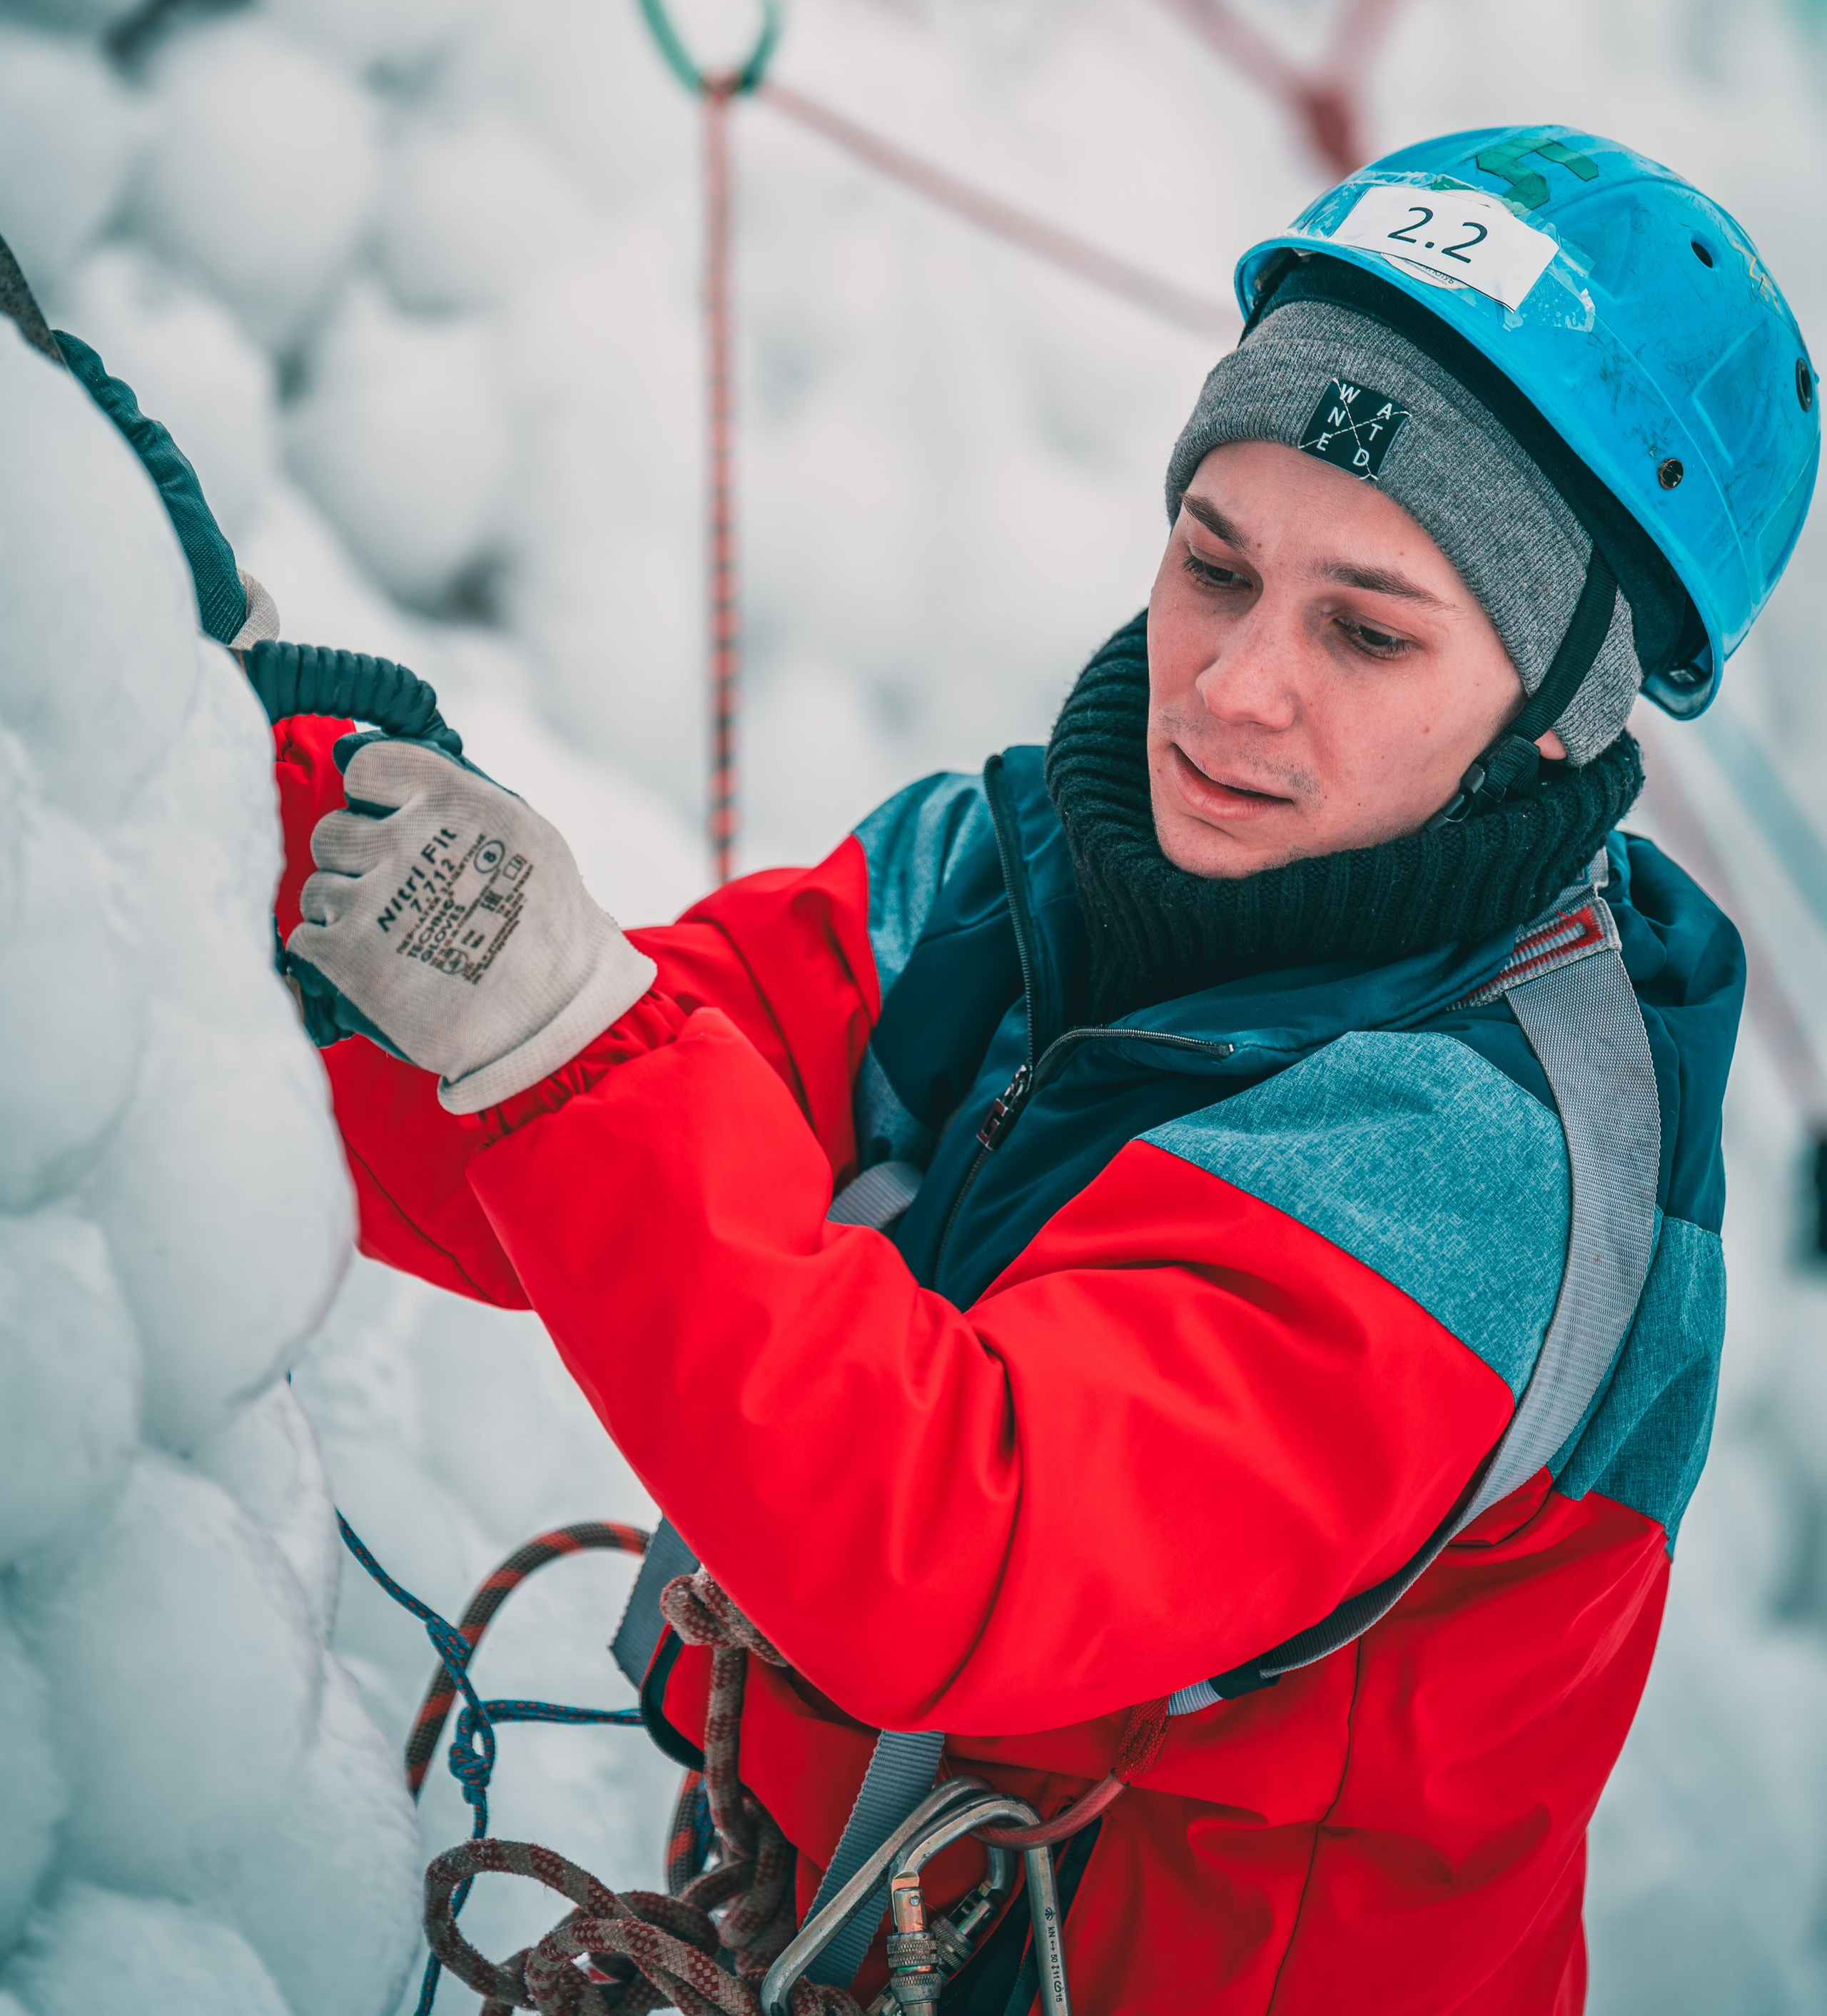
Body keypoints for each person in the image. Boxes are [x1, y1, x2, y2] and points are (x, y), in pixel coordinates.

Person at [66, 126, 1825, 2012]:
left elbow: (955, 1548)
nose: (1234, 687)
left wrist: (552, 1028)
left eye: (1368, 631)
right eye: (1214, 566)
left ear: (1559, 719)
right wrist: (223, 778)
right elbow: (559, 1144)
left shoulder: (1478, 1169)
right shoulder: (1014, 874)